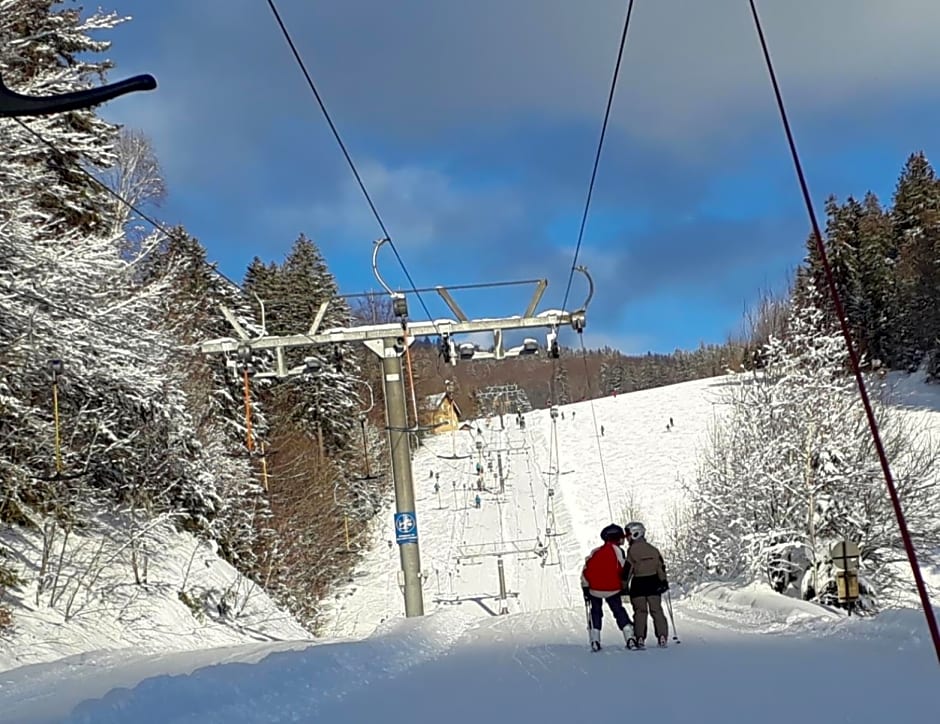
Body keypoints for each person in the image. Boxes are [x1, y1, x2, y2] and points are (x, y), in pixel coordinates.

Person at [581, 524, 633, 651]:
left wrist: (586, 589)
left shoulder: (595, 552)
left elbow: (585, 571)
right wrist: (624, 587)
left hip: (594, 589)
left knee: (596, 612)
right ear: (615, 538)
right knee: (618, 611)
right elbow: (623, 569)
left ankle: (595, 639)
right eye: (621, 537)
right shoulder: (618, 551)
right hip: (612, 589)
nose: (623, 539)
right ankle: (629, 637)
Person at [621, 521, 669, 649]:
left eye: (628, 535)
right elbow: (661, 567)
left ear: (636, 534)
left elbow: (627, 572)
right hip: (654, 583)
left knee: (640, 612)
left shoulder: (631, 551)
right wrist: (663, 582)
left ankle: (640, 637)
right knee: (657, 610)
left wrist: (624, 586)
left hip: (638, 585)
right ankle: (662, 636)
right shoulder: (654, 550)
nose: (627, 539)